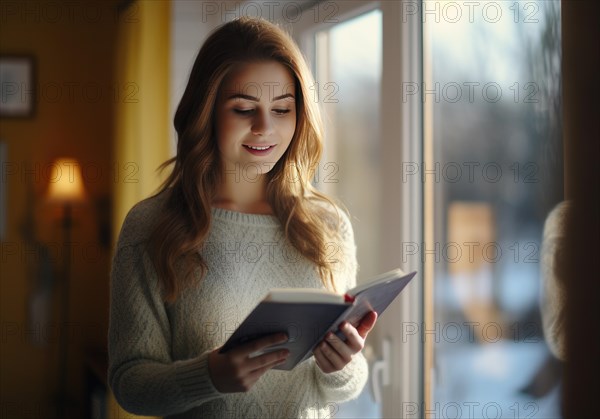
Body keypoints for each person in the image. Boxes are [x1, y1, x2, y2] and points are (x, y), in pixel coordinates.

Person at [108, 17, 378, 418]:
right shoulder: (151, 226)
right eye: (244, 109)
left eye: (282, 108)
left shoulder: (328, 223)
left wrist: (343, 365)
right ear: (207, 112)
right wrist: (210, 376)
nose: (265, 128)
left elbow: (343, 386)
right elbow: (130, 385)